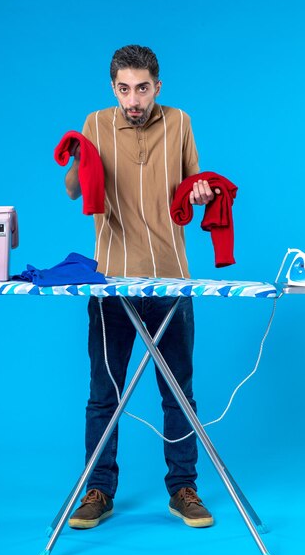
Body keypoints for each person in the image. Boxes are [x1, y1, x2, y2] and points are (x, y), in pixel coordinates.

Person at [64, 45, 219, 530]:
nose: (134, 98)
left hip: (171, 277)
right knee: (103, 394)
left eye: (143, 88)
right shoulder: (94, 123)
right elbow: (73, 190)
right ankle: (97, 489)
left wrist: (201, 191)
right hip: (111, 281)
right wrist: (75, 161)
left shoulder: (180, 123)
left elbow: (198, 187)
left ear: (158, 86)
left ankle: (184, 489)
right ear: (113, 88)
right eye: (124, 89)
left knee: (178, 391)